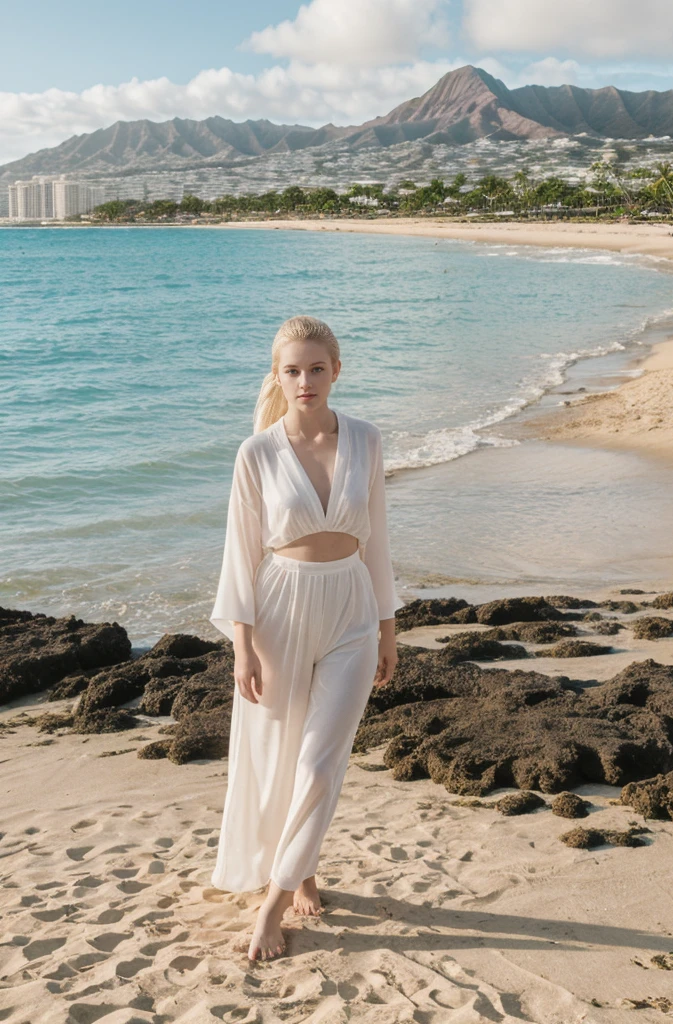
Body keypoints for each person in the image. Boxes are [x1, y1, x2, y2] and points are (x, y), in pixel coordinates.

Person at [209, 314, 405, 962]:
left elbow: (375, 539)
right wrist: (241, 644)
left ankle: (273, 901)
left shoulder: (368, 440)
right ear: (278, 375)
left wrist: (387, 626)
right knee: (279, 755)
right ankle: (303, 867)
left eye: (316, 368)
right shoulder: (257, 452)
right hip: (281, 609)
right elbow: (239, 556)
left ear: (336, 371)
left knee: (321, 761)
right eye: (292, 370)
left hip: (350, 606)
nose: (304, 381)